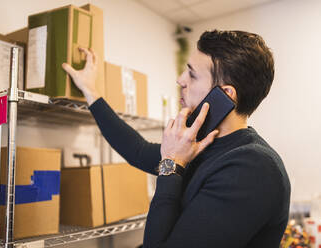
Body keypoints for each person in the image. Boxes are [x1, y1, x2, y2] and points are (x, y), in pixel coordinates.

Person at [62, 30, 291, 248]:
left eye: (192, 74)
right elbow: (138, 151)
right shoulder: (199, 145)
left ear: (226, 94)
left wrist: (171, 165)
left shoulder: (252, 168)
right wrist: (90, 91)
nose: (180, 80)